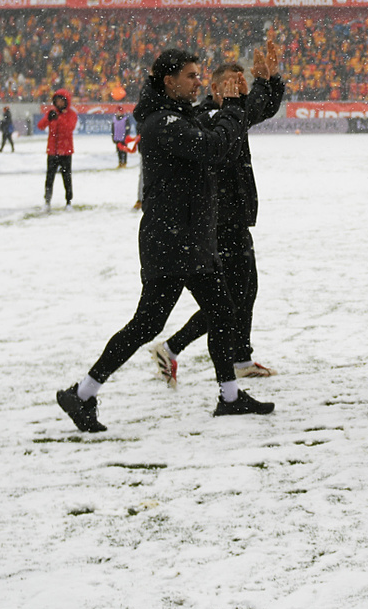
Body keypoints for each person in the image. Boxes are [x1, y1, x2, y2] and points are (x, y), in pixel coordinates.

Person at [56, 48, 271, 431]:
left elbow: (222, 135)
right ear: (168, 81)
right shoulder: (161, 122)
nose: (197, 81)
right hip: (172, 241)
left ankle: (230, 397)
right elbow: (213, 146)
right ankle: (83, 393)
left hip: (188, 236)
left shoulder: (180, 115)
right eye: (190, 76)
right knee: (148, 323)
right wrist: (235, 104)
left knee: (217, 314)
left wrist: (258, 92)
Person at [153, 41, 287, 382]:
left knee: (240, 293)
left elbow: (261, 108)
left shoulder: (229, 113)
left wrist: (268, 80)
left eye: (241, 83)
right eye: (232, 84)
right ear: (213, 89)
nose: (239, 90)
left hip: (230, 218)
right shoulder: (210, 116)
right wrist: (261, 85)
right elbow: (255, 108)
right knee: (231, 297)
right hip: (220, 222)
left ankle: (237, 357)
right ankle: (177, 348)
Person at [37, 88, 78, 207]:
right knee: (49, 178)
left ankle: (68, 201)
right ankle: (47, 201)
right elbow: (40, 126)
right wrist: (48, 118)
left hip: (65, 151)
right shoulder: (51, 113)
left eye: (61, 101)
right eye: (57, 101)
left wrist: (58, 118)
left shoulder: (71, 114)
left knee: (67, 178)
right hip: (52, 151)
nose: (59, 103)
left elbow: (69, 128)